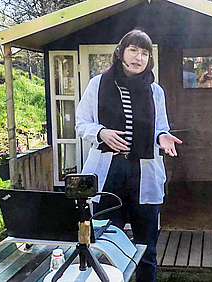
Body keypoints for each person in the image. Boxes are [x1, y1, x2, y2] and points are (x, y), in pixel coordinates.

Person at [75, 29, 182, 282]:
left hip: (144, 173)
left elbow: (160, 128)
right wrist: (101, 132)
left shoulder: (155, 91)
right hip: (109, 173)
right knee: (105, 245)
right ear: (121, 53)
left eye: (145, 53)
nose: (138, 57)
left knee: (147, 249)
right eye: (133, 50)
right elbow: (81, 124)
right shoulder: (98, 84)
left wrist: (162, 137)